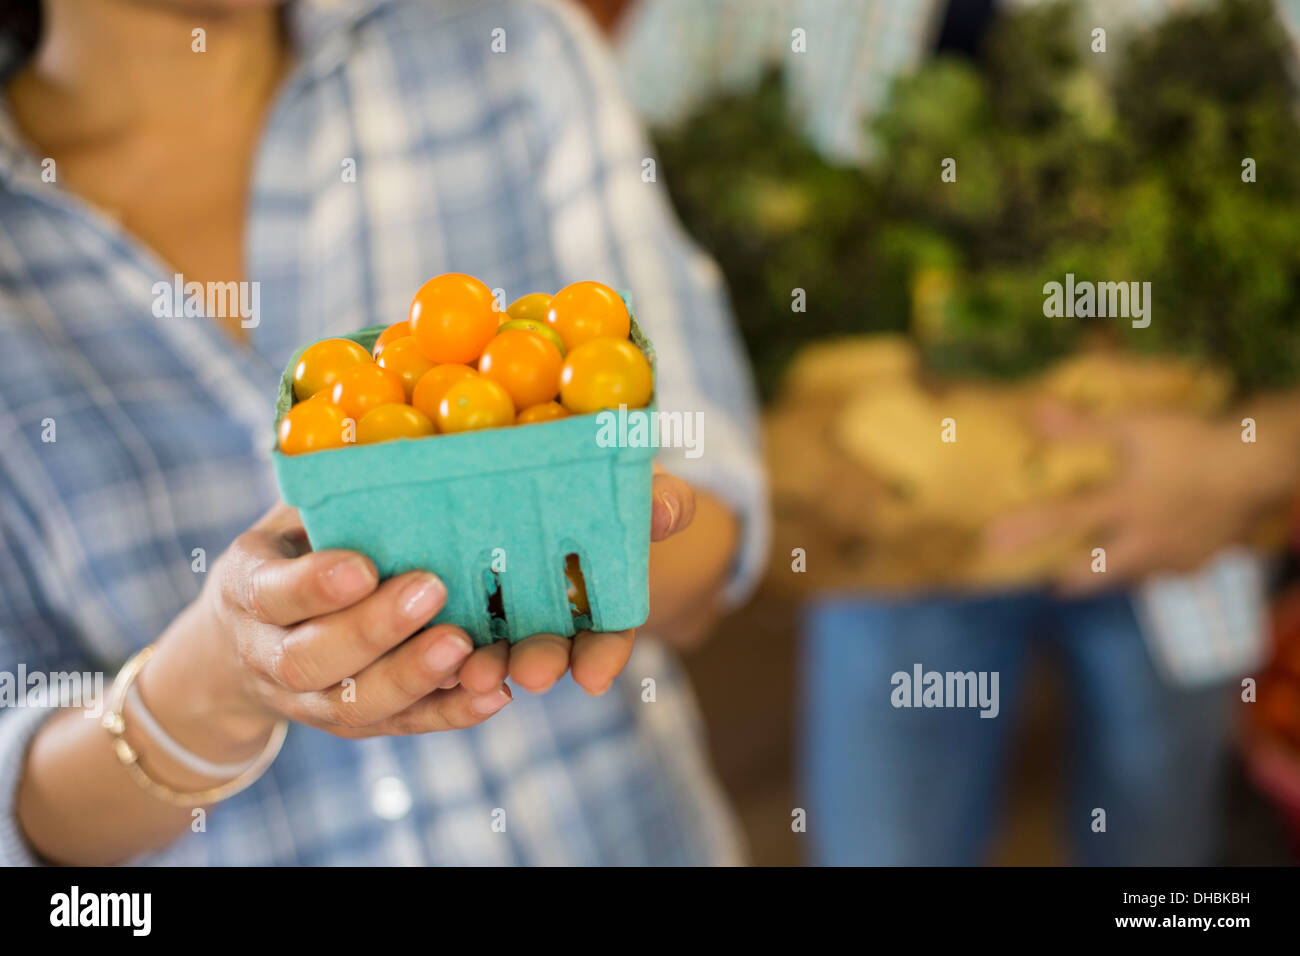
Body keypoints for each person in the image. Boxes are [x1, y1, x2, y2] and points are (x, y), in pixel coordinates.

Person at [0, 0, 767, 866]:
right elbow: (21, 810)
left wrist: (518, 549)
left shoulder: (505, 41)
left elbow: (712, 527)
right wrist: (217, 682)